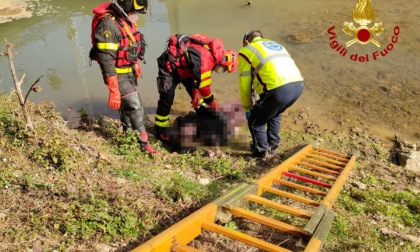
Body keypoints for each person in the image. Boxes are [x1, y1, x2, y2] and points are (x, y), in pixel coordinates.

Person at [89, 0, 161, 156]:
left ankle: (127, 134)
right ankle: (145, 144)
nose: (135, 16)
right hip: (116, 73)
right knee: (135, 106)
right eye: (134, 12)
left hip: (128, 70)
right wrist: (113, 89)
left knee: (127, 106)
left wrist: (134, 63)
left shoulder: (124, 21)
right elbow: (106, 60)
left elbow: (130, 43)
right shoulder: (108, 24)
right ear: (126, 7)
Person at [154, 33, 238, 143]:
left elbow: (197, 75)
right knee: (167, 98)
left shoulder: (212, 55)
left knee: (197, 97)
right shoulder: (207, 60)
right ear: (222, 61)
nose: (221, 71)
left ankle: (204, 115)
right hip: (169, 68)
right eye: (224, 69)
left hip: (185, 70)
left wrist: (195, 90)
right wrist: (212, 102)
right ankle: (161, 130)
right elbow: (204, 87)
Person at [238, 30, 304, 158]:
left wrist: (247, 107)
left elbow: (244, 83)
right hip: (298, 85)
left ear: (246, 42)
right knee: (274, 112)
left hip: (278, 89)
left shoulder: (247, 50)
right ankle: (273, 145)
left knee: (255, 122)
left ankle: (261, 152)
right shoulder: (275, 45)